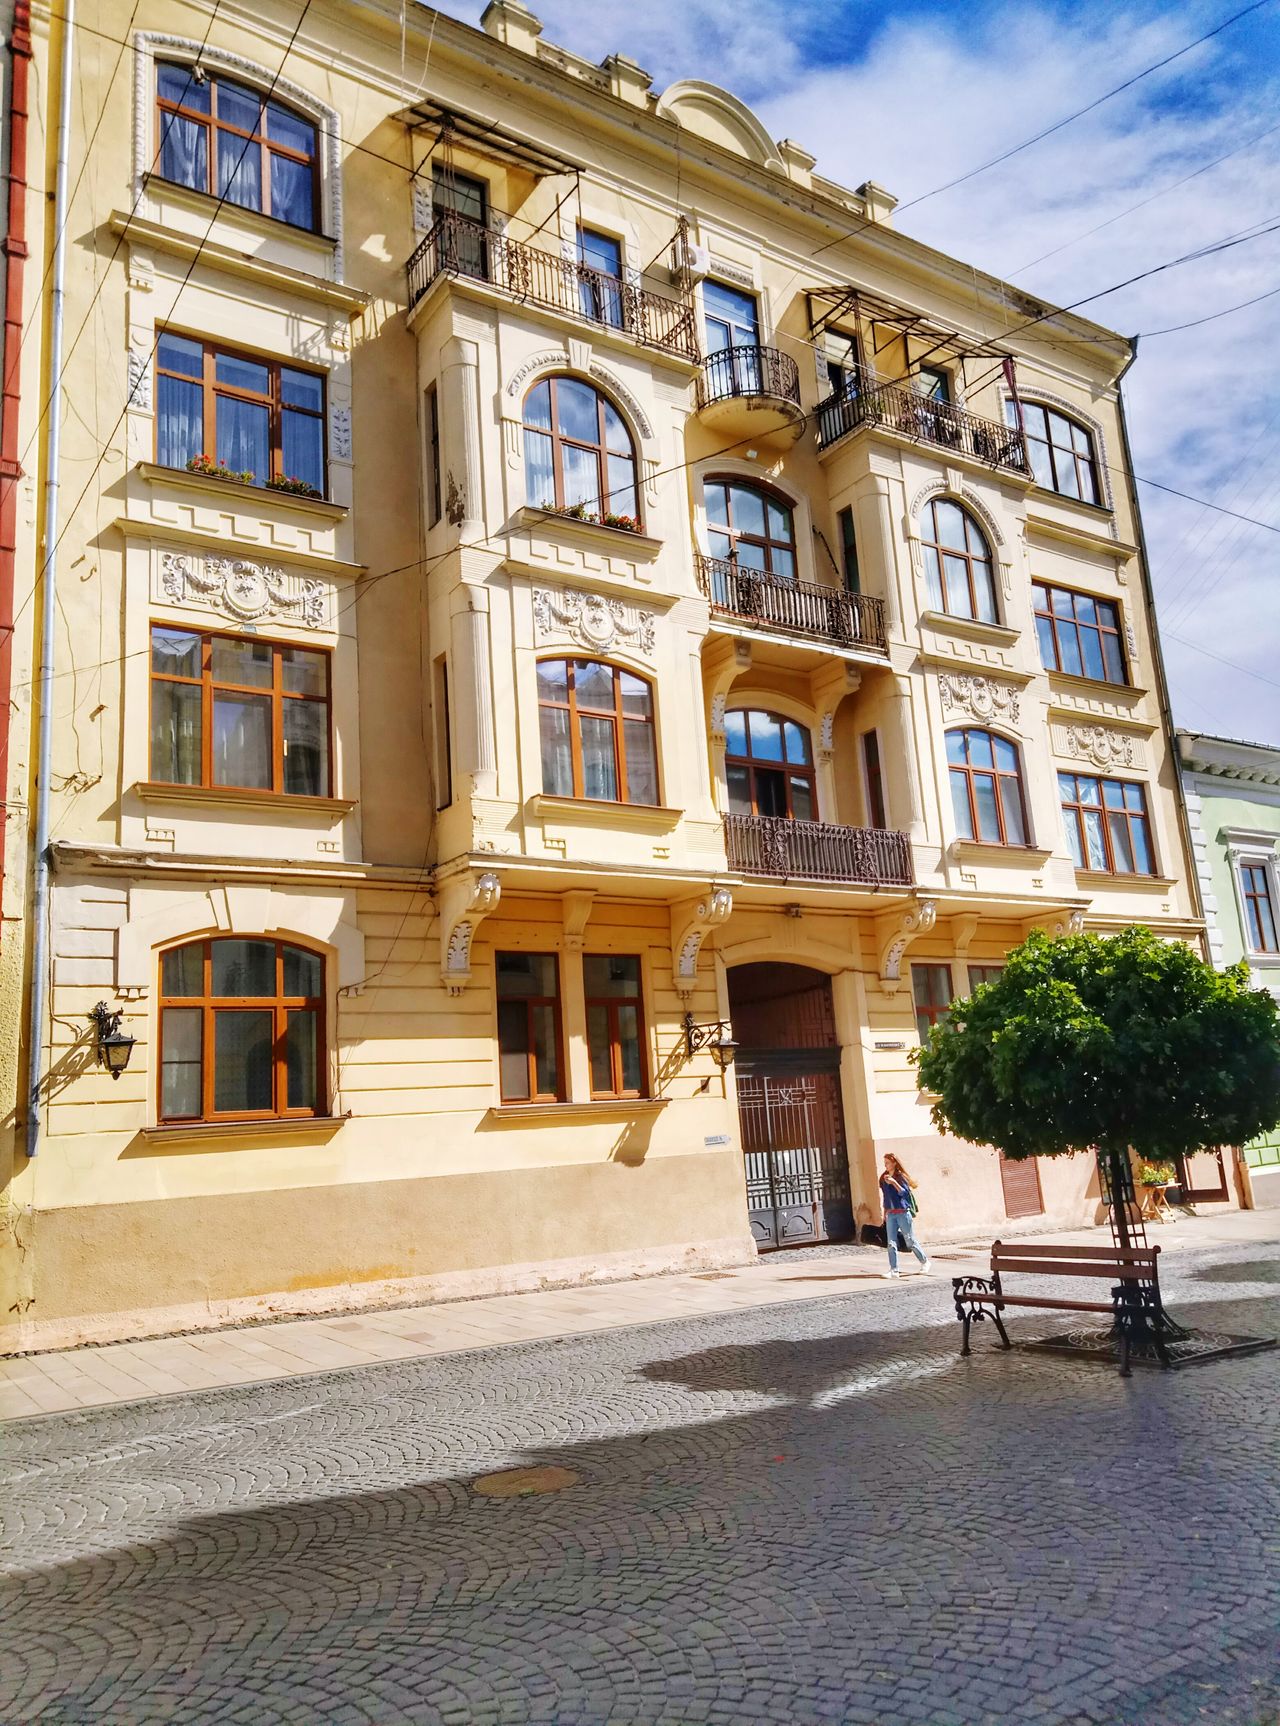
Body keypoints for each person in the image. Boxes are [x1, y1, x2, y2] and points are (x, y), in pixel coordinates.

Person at [879, 1154, 932, 1278]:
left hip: (902, 1212)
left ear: (894, 1163)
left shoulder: (900, 1177)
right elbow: (886, 1197)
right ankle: (894, 1270)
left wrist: (894, 1183)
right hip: (891, 1214)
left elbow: (904, 1194)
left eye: (887, 1162)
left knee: (909, 1240)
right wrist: (884, 1212)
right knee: (891, 1242)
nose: (885, 1165)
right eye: (885, 1162)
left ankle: (925, 1262)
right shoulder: (883, 1178)